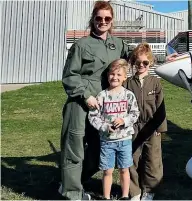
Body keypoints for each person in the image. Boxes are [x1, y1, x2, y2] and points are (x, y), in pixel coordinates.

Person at [59, 1, 129, 200]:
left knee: (100, 148)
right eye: (99, 18)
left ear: (112, 21)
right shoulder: (81, 45)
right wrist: (85, 95)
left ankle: (73, 180)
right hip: (80, 103)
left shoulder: (118, 44)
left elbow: (134, 58)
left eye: (107, 18)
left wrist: (168, 57)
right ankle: (71, 193)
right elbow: (70, 75)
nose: (103, 22)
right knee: (75, 147)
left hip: (105, 106)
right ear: (93, 19)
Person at [88, 59, 140, 200]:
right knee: (107, 171)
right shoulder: (102, 96)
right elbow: (93, 116)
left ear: (124, 77)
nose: (115, 77)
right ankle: (106, 197)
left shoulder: (128, 95)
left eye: (118, 75)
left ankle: (124, 196)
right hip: (107, 141)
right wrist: (105, 127)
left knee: (124, 169)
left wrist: (124, 121)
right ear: (107, 76)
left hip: (125, 140)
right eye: (112, 74)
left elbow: (135, 113)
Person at [124, 43, 167, 200]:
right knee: (131, 158)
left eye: (145, 63)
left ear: (151, 63)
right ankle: (134, 191)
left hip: (151, 127)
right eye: (137, 63)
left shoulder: (155, 83)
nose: (141, 66)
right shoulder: (127, 83)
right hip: (132, 126)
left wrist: (159, 127)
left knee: (152, 159)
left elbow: (160, 106)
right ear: (133, 63)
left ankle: (149, 190)